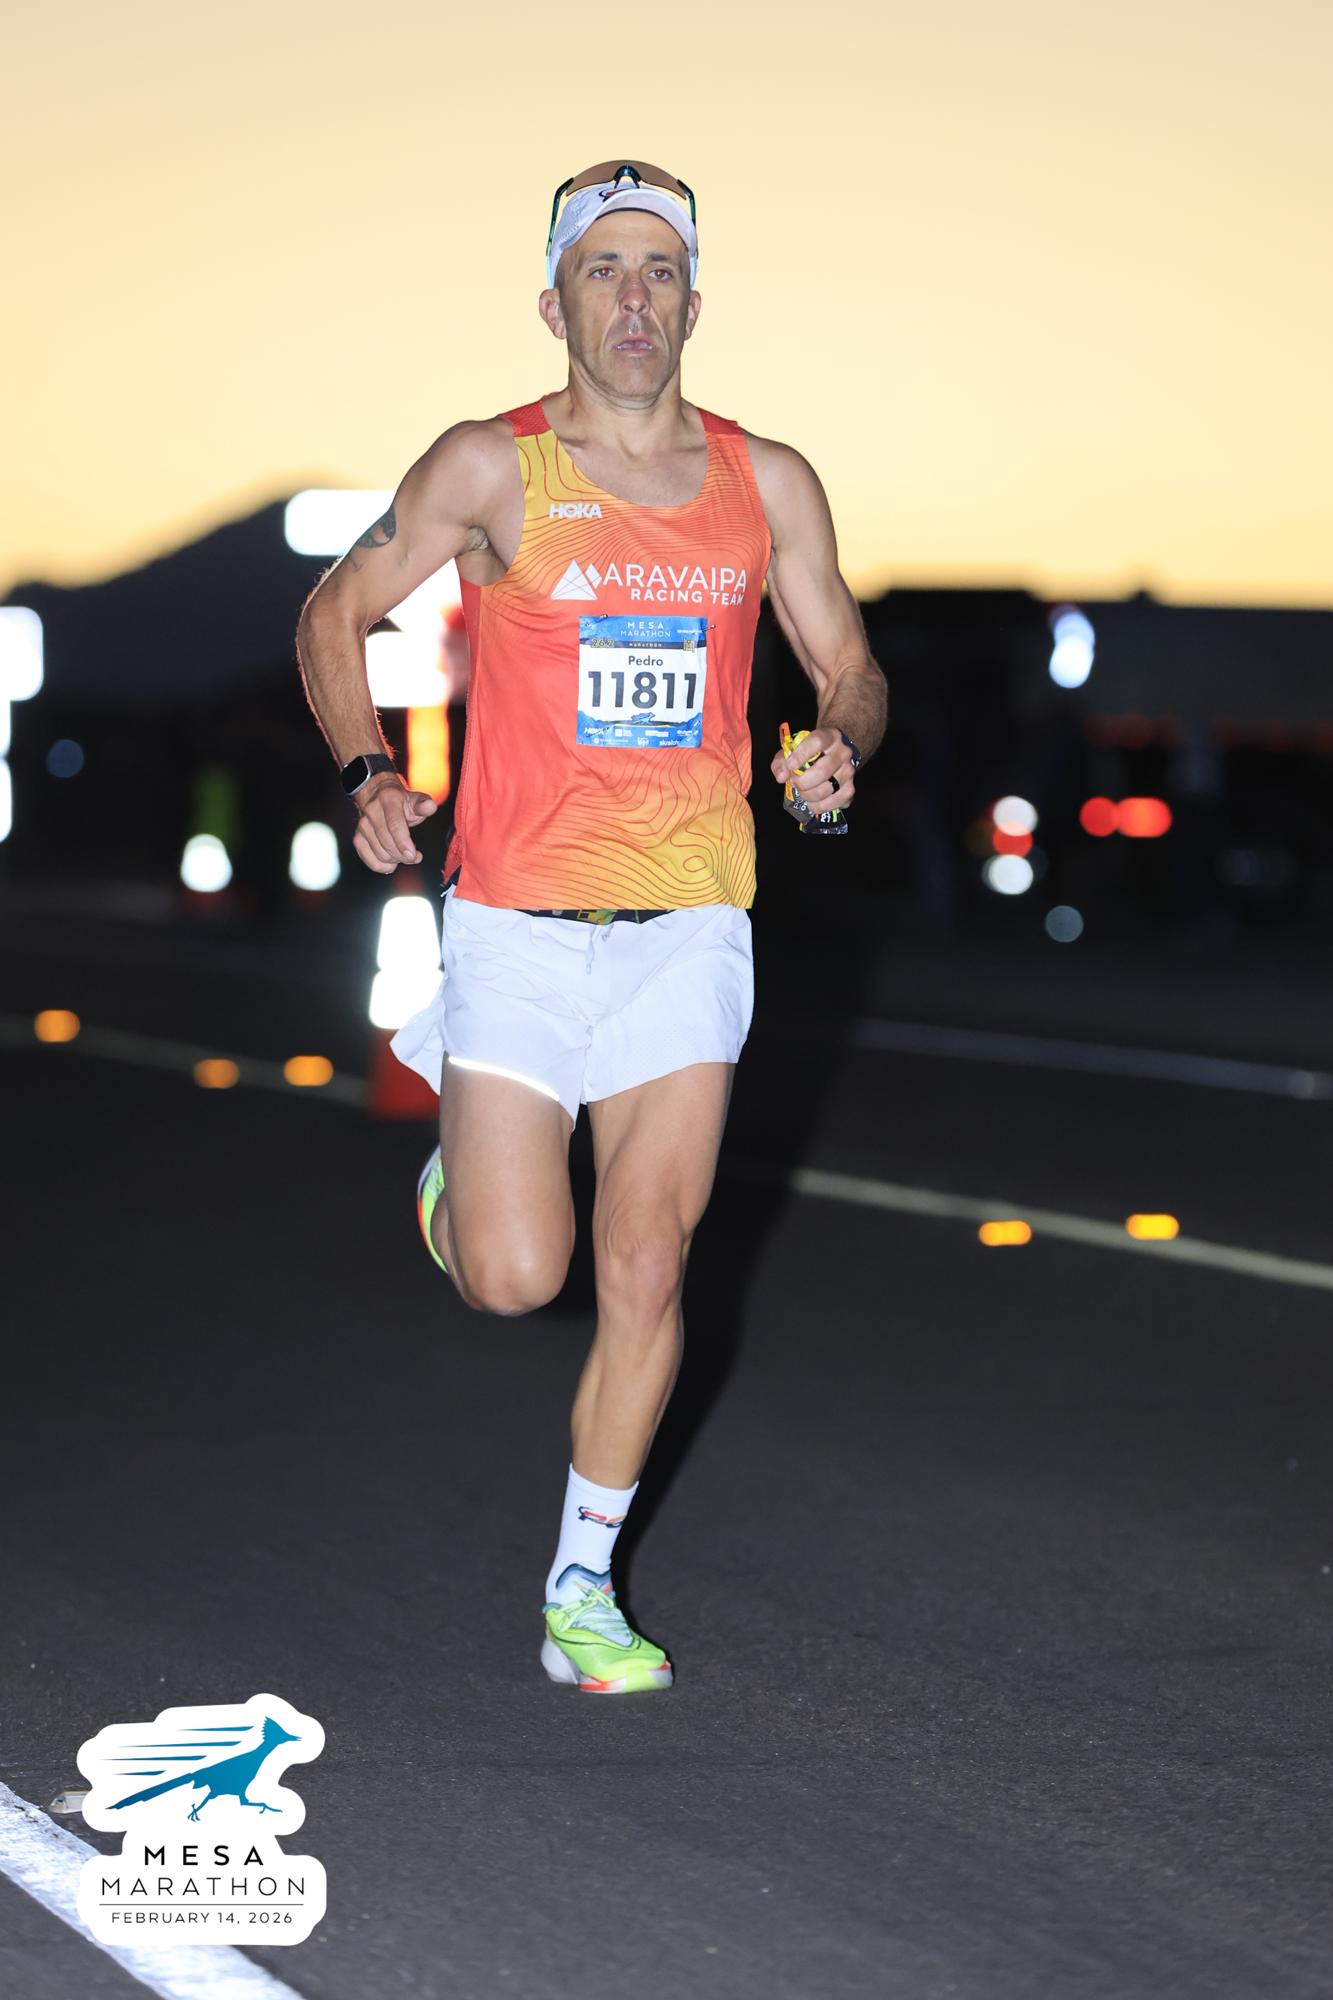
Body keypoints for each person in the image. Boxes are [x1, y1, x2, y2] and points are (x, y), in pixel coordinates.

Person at [296, 160, 887, 1694]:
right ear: (553, 304)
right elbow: (330, 612)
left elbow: (849, 662)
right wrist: (365, 769)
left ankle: (581, 1591)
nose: (633, 299)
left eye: (658, 271)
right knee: (514, 1275)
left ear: (693, 302)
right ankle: (458, 1181)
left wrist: (839, 740)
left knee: (646, 1262)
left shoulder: (766, 482)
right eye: (602, 271)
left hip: (689, 922)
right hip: (517, 921)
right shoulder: (488, 468)